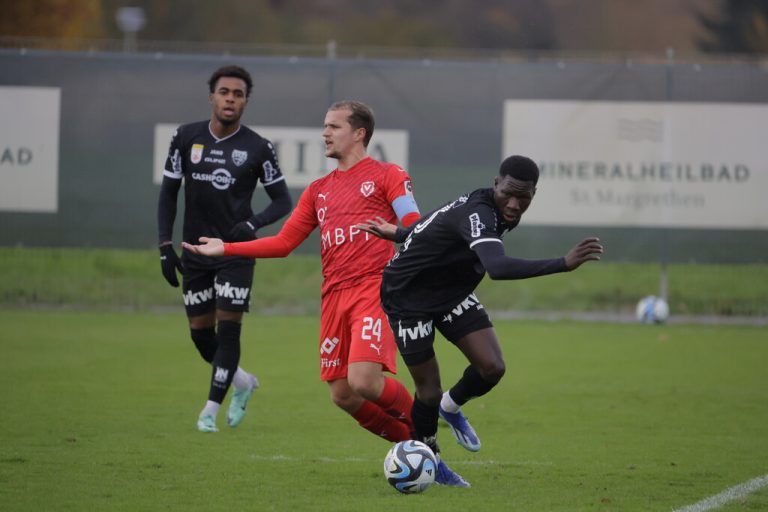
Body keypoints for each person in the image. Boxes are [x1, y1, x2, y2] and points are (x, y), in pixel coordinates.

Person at [184, 101, 474, 486]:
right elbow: (285, 241)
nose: (325, 133)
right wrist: (227, 248)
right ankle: (422, 455)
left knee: (365, 382)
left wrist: (404, 232)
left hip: (377, 288)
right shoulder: (319, 190)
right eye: (324, 126)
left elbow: (412, 222)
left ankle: (428, 436)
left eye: (333, 126)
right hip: (334, 297)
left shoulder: (388, 175)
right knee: (343, 395)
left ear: (359, 133)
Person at [358, 155, 604, 488]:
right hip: (408, 296)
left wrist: (402, 233)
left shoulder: (495, 208)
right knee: (427, 391)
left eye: (525, 197)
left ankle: (451, 405)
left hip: (451, 290)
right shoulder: (480, 212)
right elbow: (498, 268)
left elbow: (436, 220)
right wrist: (563, 262)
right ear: (496, 184)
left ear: (534, 193)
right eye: (509, 194)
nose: (515, 204)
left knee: (492, 368)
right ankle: (432, 460)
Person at [157, 65, 292, 433]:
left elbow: (283, 202)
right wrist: (165, 245)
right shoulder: (185, 138)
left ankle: (209, 411)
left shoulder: (258, 147)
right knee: (201, 335)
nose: (230, 98)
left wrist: (251, 225)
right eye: (224, 92)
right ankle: (243, 381)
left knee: (229, 330)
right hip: (195, 251)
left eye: (238, 94)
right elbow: (169, 192)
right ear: (212, 96)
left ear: (246, 101)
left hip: (235, 251)